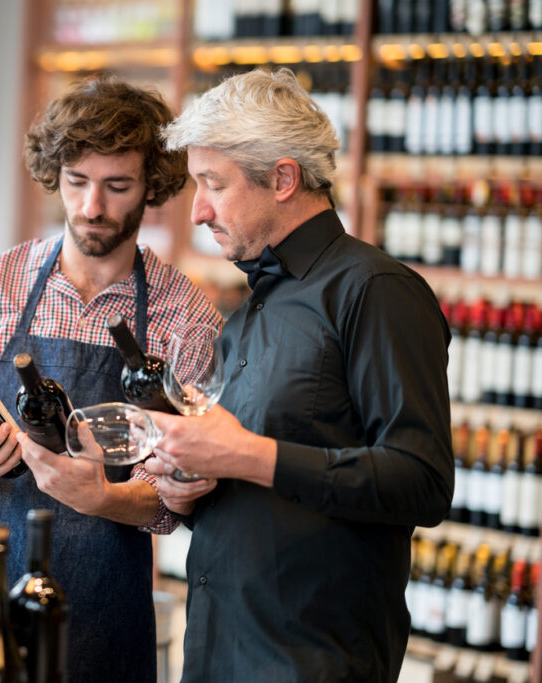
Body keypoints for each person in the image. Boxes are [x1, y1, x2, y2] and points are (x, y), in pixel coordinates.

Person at [0, 76, 221, 682]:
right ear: (56, 176)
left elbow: (181, 496)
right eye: (77, 182)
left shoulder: (187, 318)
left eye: (116, 186)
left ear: (152, 186)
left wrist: (103, 495)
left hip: (100, 624)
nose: (91, 207)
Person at [144, 68, 454, 682]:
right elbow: (248, 474)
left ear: (283, 178)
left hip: (313, 664)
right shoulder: (247, 311)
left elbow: (422, 481)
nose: (199, 209)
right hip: (215, 650)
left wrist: (248, 455)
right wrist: (188, 486)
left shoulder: (376, 290)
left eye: (214, 184)